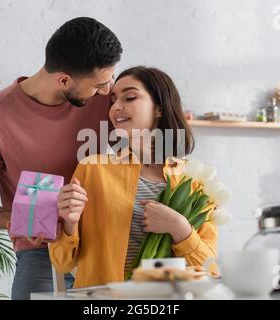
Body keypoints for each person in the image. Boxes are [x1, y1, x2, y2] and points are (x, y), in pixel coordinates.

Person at [0, 17, 122, 299]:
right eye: (99, 85)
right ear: (64, 80)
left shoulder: (108, 97)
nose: (107, 90)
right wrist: (19, 219)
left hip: (107, 242)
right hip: (41, 250)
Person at [49, 66, 218, 288]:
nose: (116, 107)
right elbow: (62, 264)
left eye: (129, 97)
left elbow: (210, 271)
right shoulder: (93, 169)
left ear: (159, 108)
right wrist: (69, 223)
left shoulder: (193, 180)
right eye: (113, 100)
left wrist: (179, 227)